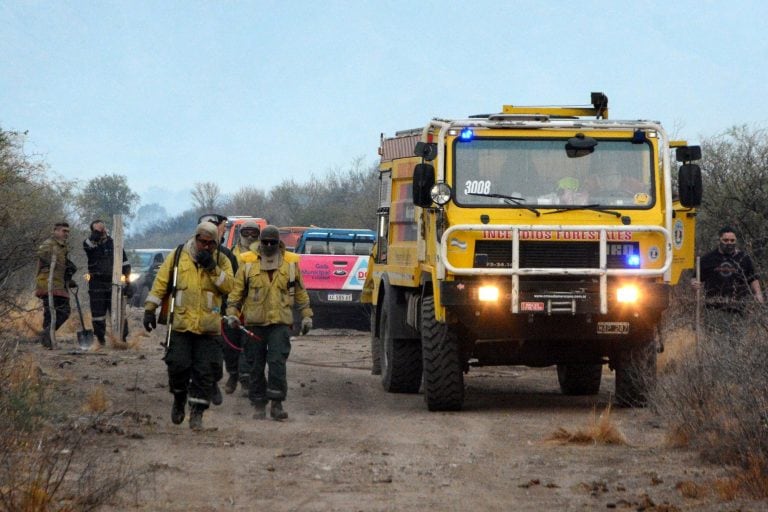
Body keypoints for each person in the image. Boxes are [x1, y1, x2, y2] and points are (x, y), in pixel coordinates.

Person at [143, 221, 234, 431]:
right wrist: (150, 309)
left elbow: (230, 286)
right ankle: (179, 399)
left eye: (211, 244)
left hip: (208, 328)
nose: (206, 247)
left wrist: (212, 268)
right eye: (203, 242)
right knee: (177, 366)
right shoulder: (178, 255)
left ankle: (197, 414)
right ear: (196, 238)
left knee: (205, 372)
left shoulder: (222, 260)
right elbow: (161, 283)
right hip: (181, 324)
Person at [225, 225, 313, 421]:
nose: (269, 245)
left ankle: (276, 403)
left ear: (278, 243)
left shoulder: (290, 265)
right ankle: (258, 403)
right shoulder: (247, 265)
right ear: (260, 242)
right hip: (254, 324)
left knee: (277, 363)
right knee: (255, 364)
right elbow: (236, 293)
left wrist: (307, 315)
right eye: (265, 242)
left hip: (280, 323)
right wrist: (232, 313)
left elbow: (300, 292)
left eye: (273, 242)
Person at [198, 213, 238, 404]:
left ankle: (223, 378)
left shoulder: (226, 256)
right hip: (190, 313)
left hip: (218, 313)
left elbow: (234, 285)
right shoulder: (183, 254)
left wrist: (232, 310)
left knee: (223, 350)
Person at [692, 226, 764, 320]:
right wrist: (694, 283)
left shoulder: (744, 258)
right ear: (719, 240)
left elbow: (753, 278)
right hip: (713, 308)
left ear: (736, 241)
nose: (729, 243)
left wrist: (758, 293)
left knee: (738, 334)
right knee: (713, 334)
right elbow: (695, 278)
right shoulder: (707, 259)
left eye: (732, 240)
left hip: (738, 308)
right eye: (725, 240)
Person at [83, 219, 131, 346]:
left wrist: (127, 282)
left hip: (114, 283)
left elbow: (125, 265)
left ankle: (121, 339)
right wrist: (95, 235)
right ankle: (100, 340)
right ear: (93, 231)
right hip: (96, 284)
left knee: (118, 312)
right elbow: (87, 245)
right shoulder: (90, 244)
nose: (102, 231)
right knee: (98, 314)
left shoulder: (115, 244)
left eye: (103, 228)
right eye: (99, 230)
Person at [35, 222, 77, 348]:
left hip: (59, 283)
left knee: (62, 312)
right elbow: (42, 257)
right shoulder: (48, 245)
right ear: (55, 231)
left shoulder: (63, 247)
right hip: (48, 283)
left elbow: (62, 267)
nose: (66, 234)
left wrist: (69, 279)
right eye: (64, 231)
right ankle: (47, 338)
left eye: (68, 231)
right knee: (53, 312)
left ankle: (46, 337)